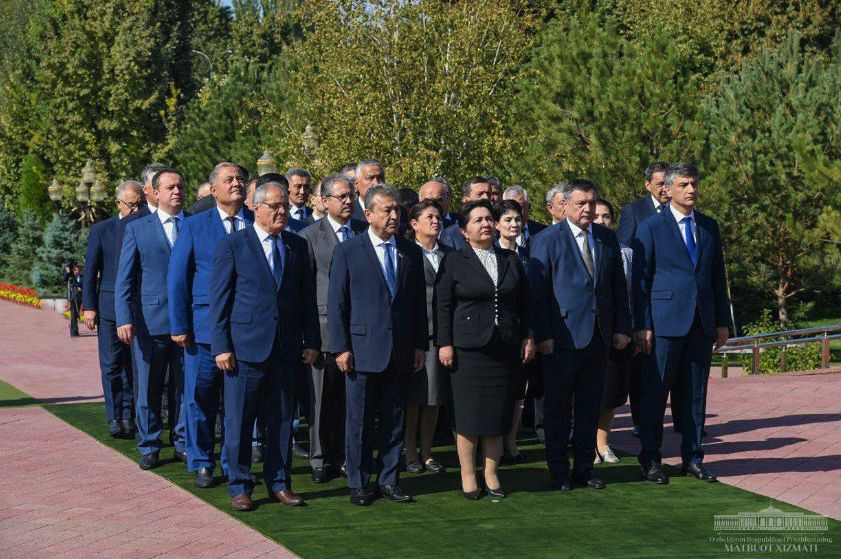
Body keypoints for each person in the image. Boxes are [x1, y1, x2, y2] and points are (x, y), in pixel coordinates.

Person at [209, 180, 320, 511]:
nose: (282, 211)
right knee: (240, 421)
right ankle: (240, 485)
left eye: (285, 205)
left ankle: (280, 483)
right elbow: (220, 300)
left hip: (286, 349)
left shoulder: (297, 245)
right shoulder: (234, 244)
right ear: (256, 208)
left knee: (283, 420)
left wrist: (312, 341)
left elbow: (307, 299)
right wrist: (221, 346)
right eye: (275, 206)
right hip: (245, 349)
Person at [328, 184, 428, 506]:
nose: (394, 215)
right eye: (387, 210)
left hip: (400, 351)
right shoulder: (348, 251)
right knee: (358, 422)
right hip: (361, 351)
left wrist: (419, 345)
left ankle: (389, 480)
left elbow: (416, 305)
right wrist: (341, 348)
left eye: (397, 210)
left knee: (394, 420)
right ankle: (358, 482)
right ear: (368, 214)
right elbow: (337, 303)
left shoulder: (410, 251)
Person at [632, 162, 731, 485]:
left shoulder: (708, 226)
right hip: (663, 324)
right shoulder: (650, 226)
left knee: (695, 395)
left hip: (701, 323)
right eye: (684, 184)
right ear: (668, 189)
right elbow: (641, 281)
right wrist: (643, 324)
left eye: (694, 184)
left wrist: (722, 322)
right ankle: (650, 460)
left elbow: (717, 277)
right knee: (655, 394)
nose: (691, 190)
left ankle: (693, 458)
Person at [531, 179, 631, 491]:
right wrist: (543, 334)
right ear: (565, 205)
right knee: (558, 409)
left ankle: (585, 469)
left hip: (599, 338)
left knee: (590, 407)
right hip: (561, 338)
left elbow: (617, 288)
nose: (587, 209)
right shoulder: (547, 239)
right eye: (580, 203)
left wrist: (622, 327)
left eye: (591, 202)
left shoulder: (605, 238)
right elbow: (538, 293)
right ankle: (560, 472)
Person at [435, 199, 535, 499]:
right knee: (469, 416)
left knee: (497, 415)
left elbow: (525, 303)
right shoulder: (454, 260)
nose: (486, 224)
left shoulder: (510, 259)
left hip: (504, 348)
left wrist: (528, 336)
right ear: (464, 231)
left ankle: (491, 473)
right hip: (468, 350)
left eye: (489, 218)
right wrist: (445, 343)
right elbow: (443, 305)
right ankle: (468, 473)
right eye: (478, 220)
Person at [168, 162, 252, 488]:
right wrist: (180, 325)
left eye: (240, 179)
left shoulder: (254, 222)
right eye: (229, 179)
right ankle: (202, 461)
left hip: (245, 329)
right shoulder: (194, 225)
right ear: (213, 189)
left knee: (237, 404)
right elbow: (178, 277)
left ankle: (233, 463)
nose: (236, 183)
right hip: (202, 330)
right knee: (200, 398)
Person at [116, 168, 189, 470]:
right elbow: (125, 279)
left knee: (185, 388)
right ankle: (149, 444)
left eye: (180, 186)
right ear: (155, 193)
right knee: (148, 388)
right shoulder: (138, 228)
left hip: (188, 323)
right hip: (149, 322)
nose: (177, 191)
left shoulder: (194, 224)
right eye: (170, 187)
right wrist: (123, 318)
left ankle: (183, 442)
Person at [298, 174, 368, 484]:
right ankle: (320, 458)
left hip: (360, 328)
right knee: (322, 400)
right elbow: (305, 290)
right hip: (324, 329)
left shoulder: (364, 231)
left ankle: (346, 456)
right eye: (341, 196)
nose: (348, 201)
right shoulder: (309, 236)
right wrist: (309, 338)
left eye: (351, 195)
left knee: (351, 401)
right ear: (324, 201)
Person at [82, 179, 143, 437]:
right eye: (132, 205)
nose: (136, 210)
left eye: (140, 205)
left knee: (133, 366)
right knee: (111, 365)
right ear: (118, 203)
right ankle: (115, 417)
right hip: (108, 308)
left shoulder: (145, 225)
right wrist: (89, 306)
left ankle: (129, 416)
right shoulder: (102, 229)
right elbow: (90, 271)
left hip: (138, 308)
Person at [403, 199, 450, 475]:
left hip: (441, 336)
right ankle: (410, 452)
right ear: (414, 224)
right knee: (413, 399)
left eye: (438, 217)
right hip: (413, 336)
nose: (436, 221)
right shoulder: (406, 252)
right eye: (429, 217)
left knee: (433, 398)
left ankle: (427, 452)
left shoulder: (449, 253)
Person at [591, 199, 633, 465]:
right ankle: (586, 442)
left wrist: (626, 329)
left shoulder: (624, 252)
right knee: (586, 391)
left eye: (606, 216)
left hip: (614, 331)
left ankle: (603, 442)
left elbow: (627, 294)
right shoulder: (577, 246)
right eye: (596, 216)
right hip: (584, 331)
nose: (601, 221)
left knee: (611, 391)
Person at [493, 199, 535, 461]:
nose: (514, 224)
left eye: (518, 219)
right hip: (497, 332)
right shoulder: (490, 252)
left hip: (522, 331)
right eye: (507, 220)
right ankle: (495, 444)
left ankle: (511, 441)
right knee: (499, 391)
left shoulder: (529, 253)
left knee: (518, 390)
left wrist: (529, 334)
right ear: (496, 224)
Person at [439, 177, 493, 250]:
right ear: (466, 200)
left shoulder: (497, 229)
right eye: (480, 194)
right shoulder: (451, 235)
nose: (486, 197)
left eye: (488, 194)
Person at [63, 263, 83, 337]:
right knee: (73, 314)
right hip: (72, 297)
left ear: (79, 270)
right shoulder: (71, 277)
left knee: (76, 314)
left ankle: (73, 329)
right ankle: (74, 331)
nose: (75, 271)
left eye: (77, 270)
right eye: (74, 270)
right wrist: (67, 272)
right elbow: (64, 279)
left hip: (80, 297)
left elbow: (85, 285)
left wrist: (81, 289)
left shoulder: (82, 277)